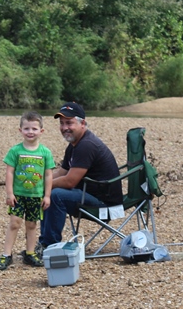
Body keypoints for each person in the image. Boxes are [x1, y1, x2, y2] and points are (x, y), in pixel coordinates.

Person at [37, 102, 122, 254]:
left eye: (69, 123)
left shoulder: (86, 145)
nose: (64, 128)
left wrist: (45, 186)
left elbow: (70, 181)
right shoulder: (74, 144)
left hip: (105, 205)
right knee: (48, 192)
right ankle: (44, 242)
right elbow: (62, 173)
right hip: (86, 194)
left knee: (55, 195)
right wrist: (39, 183)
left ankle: (49, 247)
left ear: (82, 123)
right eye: (62, 124)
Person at [0, 111, 55, 270]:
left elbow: (49, 175)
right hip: (18, 196)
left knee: (31, 224)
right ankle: (6, 255)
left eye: (34, 129)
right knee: (14, 223)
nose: (30, 132)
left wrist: (47, 195)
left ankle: (30, 253)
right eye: (27, 128)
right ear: (20, 130)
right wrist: (9, 193)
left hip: (36, 196)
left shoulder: (45, 152)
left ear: (41, 131)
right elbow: (9, 172)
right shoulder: (15, 151)